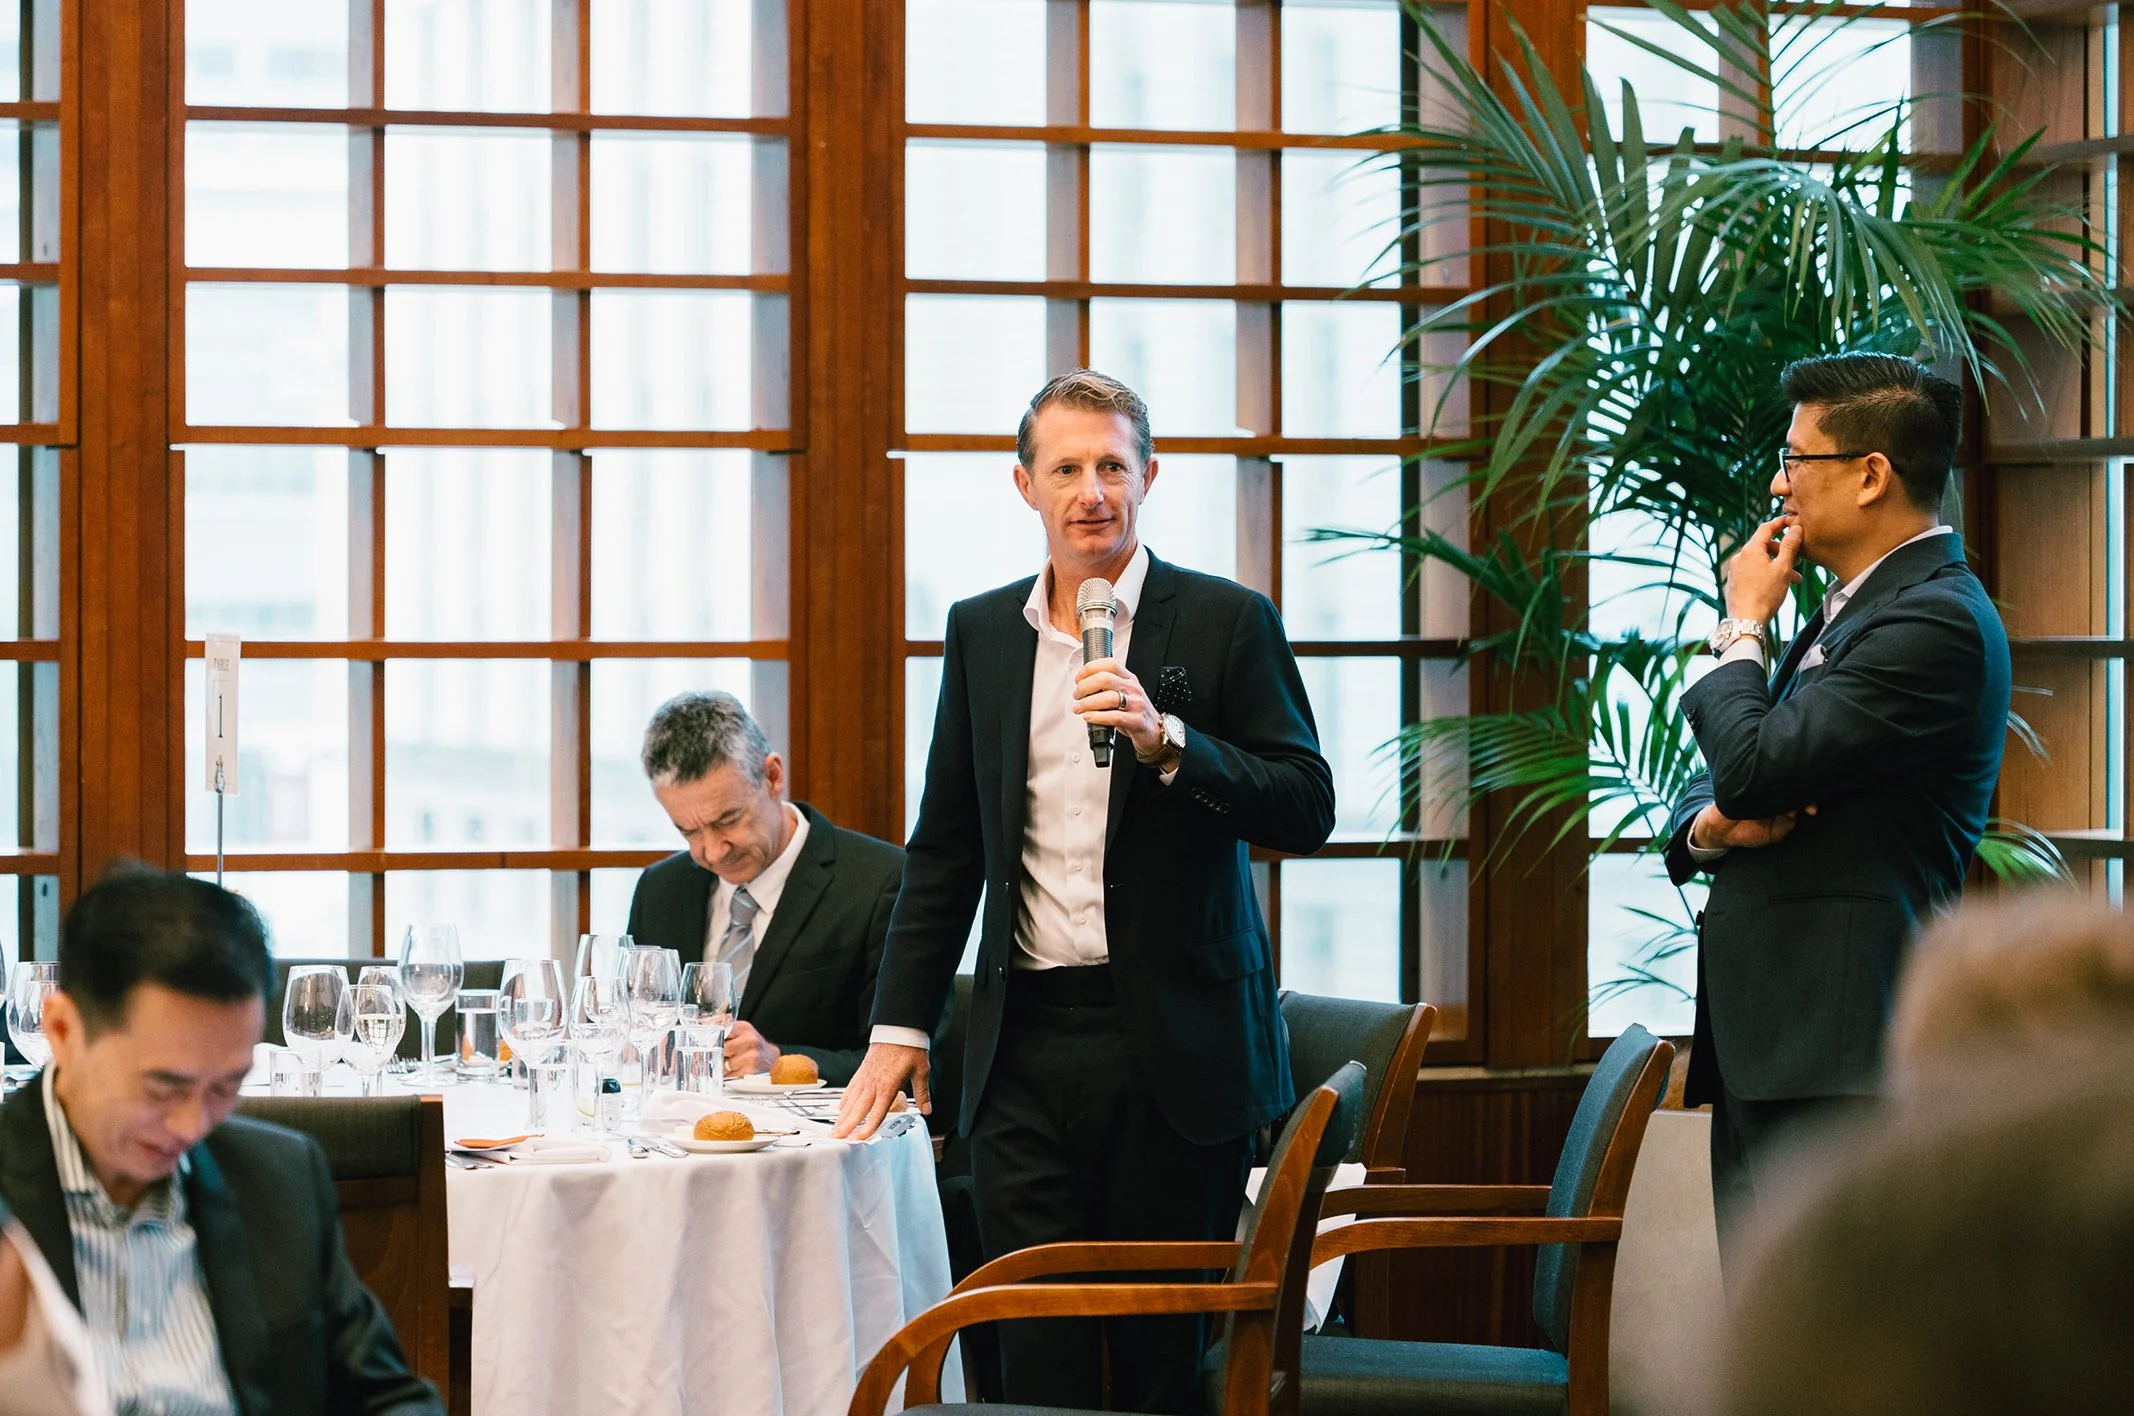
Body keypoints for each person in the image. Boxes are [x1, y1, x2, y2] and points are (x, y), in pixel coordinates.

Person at [835, 369, 1335, 1411]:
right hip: (1021, 1049)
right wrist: (900, 1025)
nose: (1091, 492)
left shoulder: (1225, 621)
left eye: (1112, 465)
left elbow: (1305, 804)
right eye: (1065, 469)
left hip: (1177, 1050)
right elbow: (946, 849)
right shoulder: (981, 632)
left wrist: (1170, 741)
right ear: (1025, 485)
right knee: (1034, 1351)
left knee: (1159, 1367)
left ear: (1150, 475)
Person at [1664, 351, 2011, 1261]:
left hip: (1840, 1051)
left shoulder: (1934, 620)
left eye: (1795, 459)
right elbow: (1726, 780)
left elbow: (1750, 765)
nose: (1778, 485)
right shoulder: (1853, 609)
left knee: (1825, 1333)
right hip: (1778, 1043)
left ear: (1870, 475)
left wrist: (1743, 624)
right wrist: (1709, 827)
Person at [0, 869, 442, 1416]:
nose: (192, 1127)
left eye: (226, 1086)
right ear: (64, 1032)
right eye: (164, 1086)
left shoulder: (278, 1177)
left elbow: (389, 1398)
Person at [624, 691, 906, 1085]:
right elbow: (635, 1033)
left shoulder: (882, 881)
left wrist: (780, 1064)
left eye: (728, 820)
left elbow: (910, 1067)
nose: (713, 852)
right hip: (677, 1121)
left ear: (772, 776)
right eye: (688, 831)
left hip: (819, 1124)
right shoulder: (659, 890)